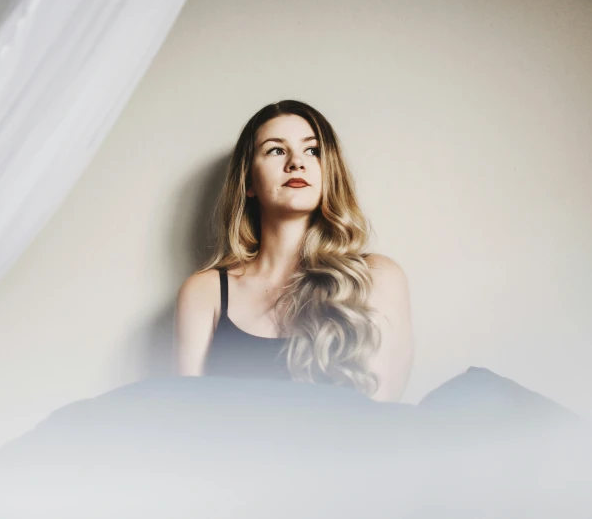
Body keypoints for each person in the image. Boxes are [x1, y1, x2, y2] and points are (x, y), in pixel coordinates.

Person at [174, 100, 413, 402]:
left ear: (329, 172)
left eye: (312, 150)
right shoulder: (204, 292)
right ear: (249, 180)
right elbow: (187, 417)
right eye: (276, 150)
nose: (296, 163)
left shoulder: (376, 278)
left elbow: (380, 415)